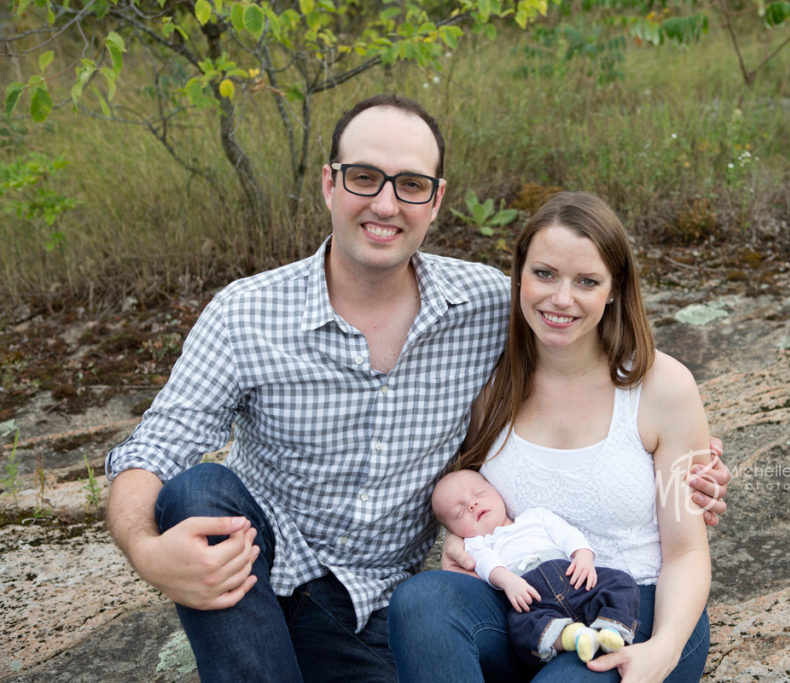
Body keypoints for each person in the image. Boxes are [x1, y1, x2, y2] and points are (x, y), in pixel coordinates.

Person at [104, 94, 730, 682]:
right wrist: (145, 550)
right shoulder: (246, 314)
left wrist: (692, 468)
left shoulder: (486, 308)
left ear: (434, 200)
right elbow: (152, 449)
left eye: (409, 184)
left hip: (387, 611)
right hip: (273, 585)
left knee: (422, 611)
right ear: (329, 183)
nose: (385, 204)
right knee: (197, 491)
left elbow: (617, 402)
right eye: (363, 177)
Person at [390, 191, 715, 682]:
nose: (561, 299)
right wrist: (463, 538)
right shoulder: (489, 383)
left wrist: (664, 651)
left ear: (614, 289)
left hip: (634, 609)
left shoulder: (660, 387)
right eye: (544, 274)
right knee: (422, 601)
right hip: (529, 610)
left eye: (586, 281)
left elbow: (687, 552)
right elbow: (470, 495)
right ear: (518, 274)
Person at [433, 469, 642, 665]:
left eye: (478, 493)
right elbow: (487, 564)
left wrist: (583, 555)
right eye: (459, 512)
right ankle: (573, 637)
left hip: (572, 579)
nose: (472, 505)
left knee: (619, 581)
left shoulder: (535, 516)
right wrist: (507, 581)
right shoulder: (477, 544)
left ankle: (611, 628)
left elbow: (566, 533)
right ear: (454, 531)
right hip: (533, 598)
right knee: (520, 627)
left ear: (498, 492)